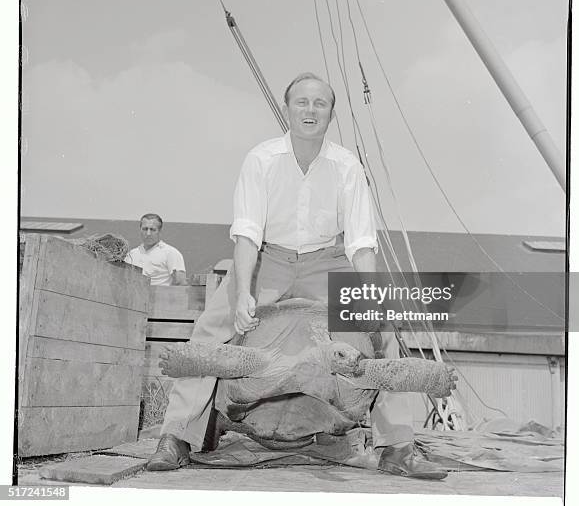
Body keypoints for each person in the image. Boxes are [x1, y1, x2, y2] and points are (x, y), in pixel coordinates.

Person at [147, 73, 447, 479]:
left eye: (320, 103)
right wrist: (240, 295)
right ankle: (177, 436)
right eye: (302, 102)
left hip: (327, 259)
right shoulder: (261, 159)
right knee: (209, 331)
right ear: (287, 110)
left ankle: (398, 447)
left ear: (331, 113)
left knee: (384, 330)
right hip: (269, 257)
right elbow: (248, 233)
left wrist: (372, 299)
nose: (310, 110)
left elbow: (360, 242)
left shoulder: (347, 167)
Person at [125, 213, 187, 286]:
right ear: (140, 230)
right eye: (145, 229)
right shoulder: (131, 255)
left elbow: (180, 282)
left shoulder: (170, 253)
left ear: (160, 231)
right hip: (134, 296)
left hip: (161, 296)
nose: (148, 233)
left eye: (152, 229)